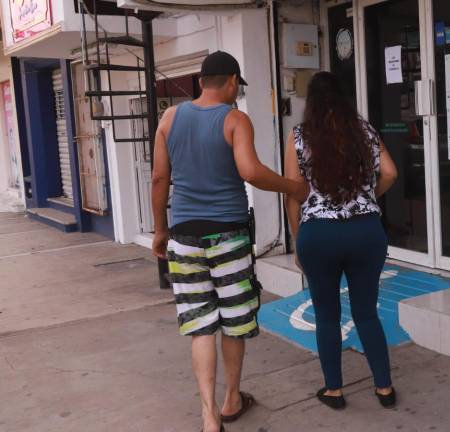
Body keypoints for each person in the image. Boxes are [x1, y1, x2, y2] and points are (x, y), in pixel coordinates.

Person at [151, 51, 308, 432]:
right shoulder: (235, 119)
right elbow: (250, 171)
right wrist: (292, 186)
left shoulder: (169, 118)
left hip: (184, 236)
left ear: (201, 82)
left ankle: (209, 417)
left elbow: (159, 178)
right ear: (233, 82)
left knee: (200, 324)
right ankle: (232, 400)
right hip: (228, 236)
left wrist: (160, 229)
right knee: (234, 321)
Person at [284, 72, 399, 410]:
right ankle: (384, 388)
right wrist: (368, 199)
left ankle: (334, 390)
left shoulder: (300, 136)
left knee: (327, 315)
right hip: (366, 233)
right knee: (366, 313)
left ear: (311, 102)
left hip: (319, 234)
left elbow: (294, 192)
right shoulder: (364, 131)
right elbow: (390, 173)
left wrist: (297, 237)